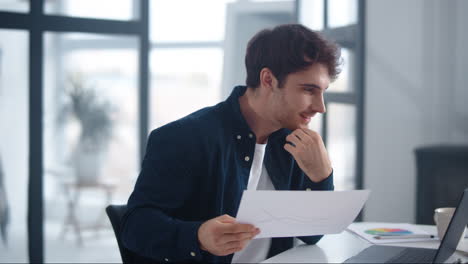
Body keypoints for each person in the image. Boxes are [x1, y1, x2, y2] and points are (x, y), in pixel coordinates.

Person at [121, 24, 341, 263]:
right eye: (309, 90)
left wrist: (322, 176)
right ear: (268, 79)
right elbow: (135, 227)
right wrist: (198, 237)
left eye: (323, 92)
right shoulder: (185, 138)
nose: (321, 107)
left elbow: (311, 234)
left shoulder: (294, 141)